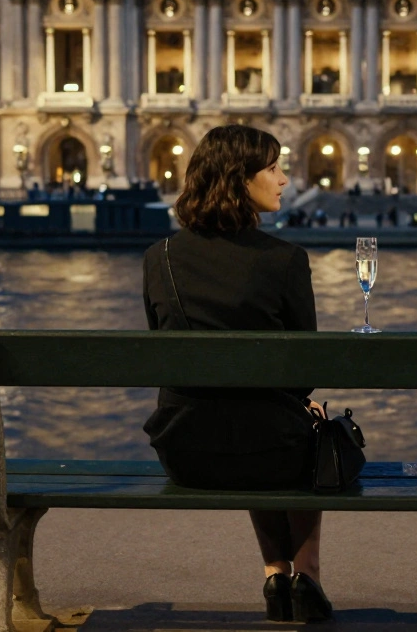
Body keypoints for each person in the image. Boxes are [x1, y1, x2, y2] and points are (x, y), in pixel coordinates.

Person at [141, 124, 334, 624]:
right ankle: (305, 575)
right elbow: (306, 368)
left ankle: (275, 572)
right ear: (238, 178)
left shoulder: (158, 258)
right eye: (273, 168)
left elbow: (167, 355)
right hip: (272, 451)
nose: (285, 179)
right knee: (302, 424)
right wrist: (298, 401)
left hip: (186, 451)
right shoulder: (285, 260)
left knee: (251, 416)